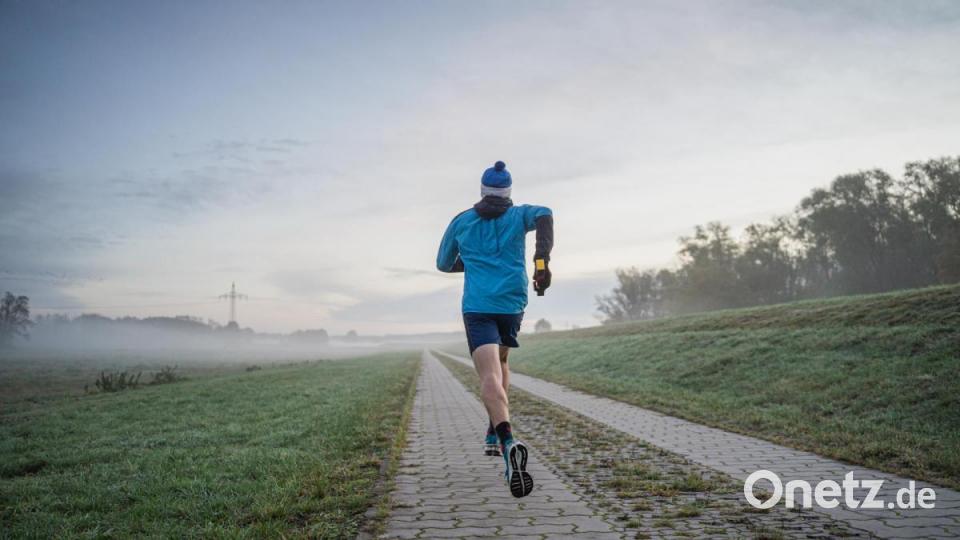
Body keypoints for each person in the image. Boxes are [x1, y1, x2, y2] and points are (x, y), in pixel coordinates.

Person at [436, 160, 553, 498]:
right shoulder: (520, 215)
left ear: (482, 190)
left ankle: (507, 442)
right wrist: (541, 261)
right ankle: (492, 431)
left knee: (488, 374)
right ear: (508, 192)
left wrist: (473, 263)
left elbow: (443, 263)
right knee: (502, 364)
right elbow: (546, 213)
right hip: (511, 303)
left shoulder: (462, 221)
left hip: (478, 306)